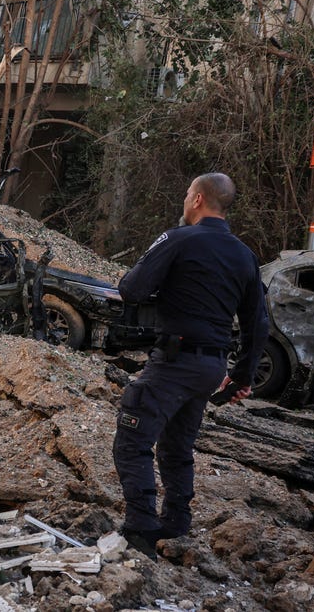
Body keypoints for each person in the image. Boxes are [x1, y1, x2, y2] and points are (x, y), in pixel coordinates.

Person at [113, 172, 268, 560]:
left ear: (198, 199)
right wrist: (242, 377)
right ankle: (176, 523)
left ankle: (141, 529)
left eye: (187, 194)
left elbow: (131, 289)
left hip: (174, 360)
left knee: (132, 440)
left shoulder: (178, 239)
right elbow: (258, 323)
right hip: (211, 366)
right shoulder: (245, 255)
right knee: (177, 446)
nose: (184, 200)